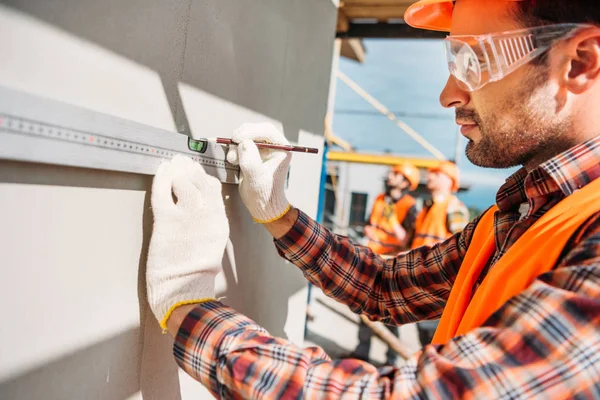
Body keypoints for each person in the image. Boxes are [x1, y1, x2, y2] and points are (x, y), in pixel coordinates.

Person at [147, 0, 600, 397]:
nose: (448, 94)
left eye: (474, 61)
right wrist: (279, 215)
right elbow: (385, 287)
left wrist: (190, 308)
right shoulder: (519, 217)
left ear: (579, 63)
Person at [353, 163, 419, 365]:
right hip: (372, 258)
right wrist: (368, 231)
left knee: (390, 312)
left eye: (395, 174)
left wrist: (392, 222)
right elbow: (369, 223)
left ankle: (391, 360)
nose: (390, 176)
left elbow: (406, 240)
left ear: (405, 181)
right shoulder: (380, 198)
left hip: (391, 262)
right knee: (364, 308)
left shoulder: (409, 205)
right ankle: (361, 353)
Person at [411, 161, 469, 345]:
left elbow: (462, 249)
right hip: (421, 278)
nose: (429, 177)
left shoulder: (453, 207)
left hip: (438, 284)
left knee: (433, 339)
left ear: (449, 180)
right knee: (423, 337)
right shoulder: (428, 207)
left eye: (436, 174)